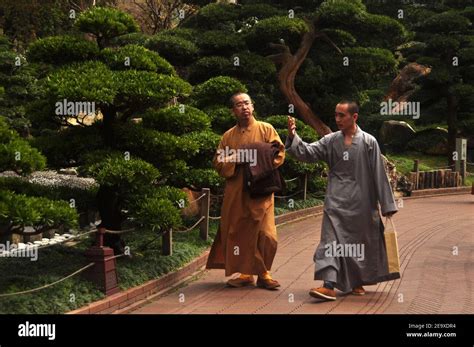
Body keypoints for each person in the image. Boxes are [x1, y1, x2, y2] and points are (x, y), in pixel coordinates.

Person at [286, 100, 398, 301]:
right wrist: (294, 137)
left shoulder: (369, 142)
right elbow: (309, 153)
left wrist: (387, 205)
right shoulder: (330, 140)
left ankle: (357, 281)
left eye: (341, 115)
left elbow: (379, 174)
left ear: (354, 117)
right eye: (335, 115)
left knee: (358, 244)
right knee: (330, 241)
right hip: (335, 202)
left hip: (363, 203)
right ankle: (328, 285)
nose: (337, 119)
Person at [206, 92, 285, 290]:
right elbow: (218, 162)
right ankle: (246, 273)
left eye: (247, 103)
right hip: (236, 191)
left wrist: (256, 156)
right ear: (233, 110)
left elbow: (278, 153)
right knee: (240, 233)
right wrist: (237, 158)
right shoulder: (228, 136)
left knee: (267, 234)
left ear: (253, 106)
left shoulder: (266, 129)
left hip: (261, 190)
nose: (244, 107)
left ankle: (265, 272)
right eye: (239, 105)